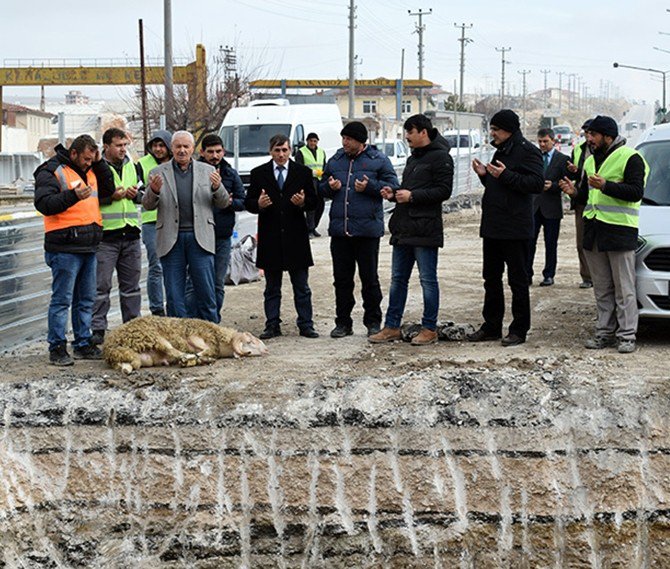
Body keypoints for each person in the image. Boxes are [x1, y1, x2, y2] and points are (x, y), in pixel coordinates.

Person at [560, 115, 647, 354]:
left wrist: (606, 185)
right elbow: (587, 198)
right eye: (588, 135)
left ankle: (627, 335)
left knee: (624, 288)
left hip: (619, 232)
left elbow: (636, 192)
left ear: (608, 136)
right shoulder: (589, 162)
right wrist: (573, 192)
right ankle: (604, 332)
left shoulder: (631, 157)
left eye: (594, 135)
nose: (589, 139)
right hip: (594, 232)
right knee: (602, 288)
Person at [369, 114, 453, 345]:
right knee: (398, 280)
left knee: (428, 280)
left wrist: (412, 196)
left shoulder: (441, 158)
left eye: (410, 132)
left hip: (425, 229)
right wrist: (395, 194)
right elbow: (408, 190)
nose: (406, 137)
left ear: (423, 132)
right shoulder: (413, 158)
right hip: (404, 228)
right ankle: (392, 326)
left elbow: (444, 191)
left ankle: (429, 328)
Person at [34, 135, 113, 365]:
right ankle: (57, 347)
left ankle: (82, 343)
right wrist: (72, 196)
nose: (89, 163)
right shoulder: (51, 171)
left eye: (92, 159)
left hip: (88, 245)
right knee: (62, 300)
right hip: (64, 246)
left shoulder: (92, 169)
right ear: (74, 153)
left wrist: (99, 163)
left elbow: (108, 189)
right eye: (86, 159)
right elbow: (44, 204)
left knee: (86, 299)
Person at [467, 109, 544, 347]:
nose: (493, 134)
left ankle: (519, 330)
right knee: (491, 278)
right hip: (493, 227)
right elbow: (499, 185)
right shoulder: (501, 150)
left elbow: (536, 184)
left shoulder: (528, 152)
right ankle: (491, 326)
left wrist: (505, 175)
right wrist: (485, 176)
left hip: (515, 228)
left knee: (518, 281)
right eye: (491, 129)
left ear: (509, 130)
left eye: (496, 129)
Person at [319, 121, 399, 338]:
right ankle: (343, 323)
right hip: (340, 231)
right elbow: (321, 188)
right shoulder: (335, 160)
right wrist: (329, 187)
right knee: (342, 280)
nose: (344, 142)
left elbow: (393, 187)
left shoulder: (379, 160)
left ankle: (373, 321)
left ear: (361, 142)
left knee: (369, 279)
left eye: (349, 139)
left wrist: (370, 188)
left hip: (367, 232)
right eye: (343, 138)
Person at [142, 130, 229, 323]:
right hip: (171, 239)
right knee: (174, 294)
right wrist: (154, 191)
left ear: (193, 149)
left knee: (206, 291)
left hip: (200, 238)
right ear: (171, 148)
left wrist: (217, 187)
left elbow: (223, 203)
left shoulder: (207, 171)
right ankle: (178, 336)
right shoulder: (157, 172)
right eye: (178, 146)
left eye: (186, 146)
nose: (182, 150)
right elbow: (147, 205)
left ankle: (211, 332)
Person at [245, 134, 319, 339]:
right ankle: (272, 324)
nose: (281, 154)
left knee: (302, 286)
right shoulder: (259, 173)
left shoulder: (302, 172)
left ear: (290, 151)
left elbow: (314, 201)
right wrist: (258, 204)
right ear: (271, 151)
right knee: (272, 287)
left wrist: (303, 202)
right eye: (277, 151)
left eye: (284, 150)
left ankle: (306, 324)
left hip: (296, 237)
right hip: (270, 237)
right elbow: (248, 202)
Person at [91, 128, 143, 345]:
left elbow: (142, 194)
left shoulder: (133, 166)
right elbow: (91, 198)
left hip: (130, 234)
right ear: (106, 146)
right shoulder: (96, 169)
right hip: (106, 237)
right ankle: (97, 330)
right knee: (101, 287)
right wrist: (110, 197)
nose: (123, 149)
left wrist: (136, 195)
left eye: (125, 145)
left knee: (131, 288)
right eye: (118, 145)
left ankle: (132, 329)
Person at [185, 134, 246, 319]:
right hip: (197, 235)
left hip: (221, 235)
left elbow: (242, 201)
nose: (214, 155)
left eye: (218, 151)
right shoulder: (191, 172)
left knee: (217, 283)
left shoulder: (229, 173)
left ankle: (212, 321)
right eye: (210, 151)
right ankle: (192, 321)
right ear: (202, 152)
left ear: (223, 151)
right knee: (194, 282)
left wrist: (228, 202)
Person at [527, 128, 569, 287]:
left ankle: (549, 275)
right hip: (534, 207)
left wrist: (554, 186)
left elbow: (567, 182)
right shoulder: (533, 157)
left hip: (551, 208)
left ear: (553, 141)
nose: (542, 144)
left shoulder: (562, 159)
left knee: (551, 244)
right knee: (529, 242)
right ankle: (527, 273)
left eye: (545, 141)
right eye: (540, 141)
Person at [136, 130, 172, 316]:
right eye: (154, 145)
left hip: (174, 220)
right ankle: (157, 308)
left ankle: (174, 303)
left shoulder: (176, 164)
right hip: (152, 221)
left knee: (175, 264)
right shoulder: (142, 165)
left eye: (161, 145)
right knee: (156, 266)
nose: (158, 149)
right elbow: (136, 191)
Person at [560, 119, 593, 289]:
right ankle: (587, 276)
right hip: (581, 200)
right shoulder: (579, 149)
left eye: (591, 133)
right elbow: (579, 175)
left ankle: (599, 275)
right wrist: (573, 171)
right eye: (586, 133)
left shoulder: (604, 150)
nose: (588, 136)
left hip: (600, 200)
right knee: (581, 242)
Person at [295, 132, 326, 237]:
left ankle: (313, 227)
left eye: (315, 141)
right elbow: (298, 168)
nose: (313, 143)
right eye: (311, 141)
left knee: (320, 205)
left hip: (320, 181)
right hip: (308, 181)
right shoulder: (301, 152)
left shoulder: (322, 152)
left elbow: (324, 166)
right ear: (307, 141)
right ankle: (310, 229)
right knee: (310, 206)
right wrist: (310, 173)